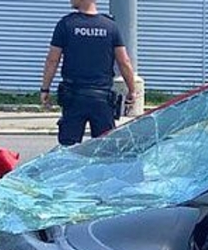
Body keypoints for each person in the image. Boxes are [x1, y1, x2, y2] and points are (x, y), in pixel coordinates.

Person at [40, 0, 138, 146]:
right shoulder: (110, 27)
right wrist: (132, 90)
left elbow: (52, 61)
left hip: (74, 98)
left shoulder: (66, 24)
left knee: (68, 150)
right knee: (104, 151)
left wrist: (45, 89)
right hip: (103, 100)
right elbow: (124, 62)